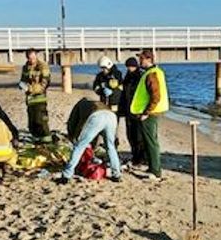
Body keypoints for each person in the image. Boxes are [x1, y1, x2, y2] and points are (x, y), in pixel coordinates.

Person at [57, 97, 122, 184]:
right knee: (110, 147)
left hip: (96, 116)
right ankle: (116, 175)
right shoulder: (94, 103)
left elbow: (73, 123)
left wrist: (72, 137)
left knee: (79, 146)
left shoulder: (79, 105)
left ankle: (66, 175)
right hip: (112, 116)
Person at [129, 49, 169, 181]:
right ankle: (152, 168)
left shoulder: (151, 74)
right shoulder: (153, 72)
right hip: (149, 112)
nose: (140, 61)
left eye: (142, 59)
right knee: (149, 141)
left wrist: (146, 112)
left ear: (149, 59)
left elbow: (156, 96)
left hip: (149, 114)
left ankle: (156, 172)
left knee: (151, 142)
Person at [117, 56, 146, 169]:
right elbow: (124, 94)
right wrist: (122, 110)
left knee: (138, 136)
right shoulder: (128, 76)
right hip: (129, 110)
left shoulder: (140, 76)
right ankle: (135, 156)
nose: (129, 68)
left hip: (138, 110)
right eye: (128, 66)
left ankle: (141, 158)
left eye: (131, 66)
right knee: (130, 135)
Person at [20, 48, 52, 142]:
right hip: (30, 100)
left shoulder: (43, 66)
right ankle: (36, 140)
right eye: (30, 58)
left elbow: (45, 84)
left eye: (33, 58)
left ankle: (47, 141)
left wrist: (30, 89)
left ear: (36, 56)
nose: (31, 60)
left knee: (41, 121)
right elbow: (23, 79)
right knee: (32, 123)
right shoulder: (25, 67)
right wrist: (22, 85)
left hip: (40, 99)